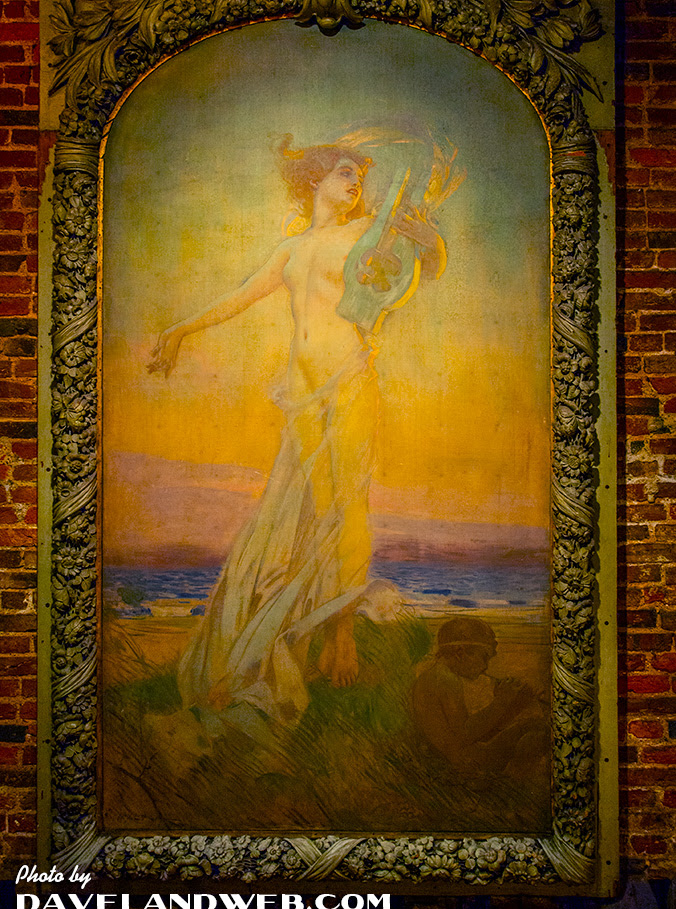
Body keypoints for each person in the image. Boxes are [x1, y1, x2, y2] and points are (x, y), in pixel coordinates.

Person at [148, 135, 447, 728]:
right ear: (315, 181)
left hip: (347, 378)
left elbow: (420, 271)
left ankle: (342, 633)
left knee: (346, 505)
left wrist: (431, 241)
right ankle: (306, 625)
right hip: (301, 391)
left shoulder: (365, 234)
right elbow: (240, 297)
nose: (355, 184)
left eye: (359, 176)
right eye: (344, 174)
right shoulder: (291, 249)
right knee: (311, 510)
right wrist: (180, 329)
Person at [411, 616, 548, 776]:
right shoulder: (445, 679)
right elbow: (463, 737)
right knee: (536, 733)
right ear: (460, 653)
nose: (485, 667)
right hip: (461, 764)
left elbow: (468, 733)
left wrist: (514, 706)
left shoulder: (438, 675)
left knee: (531, 725)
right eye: (484, 657)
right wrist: (501, 702)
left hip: (460, 756)